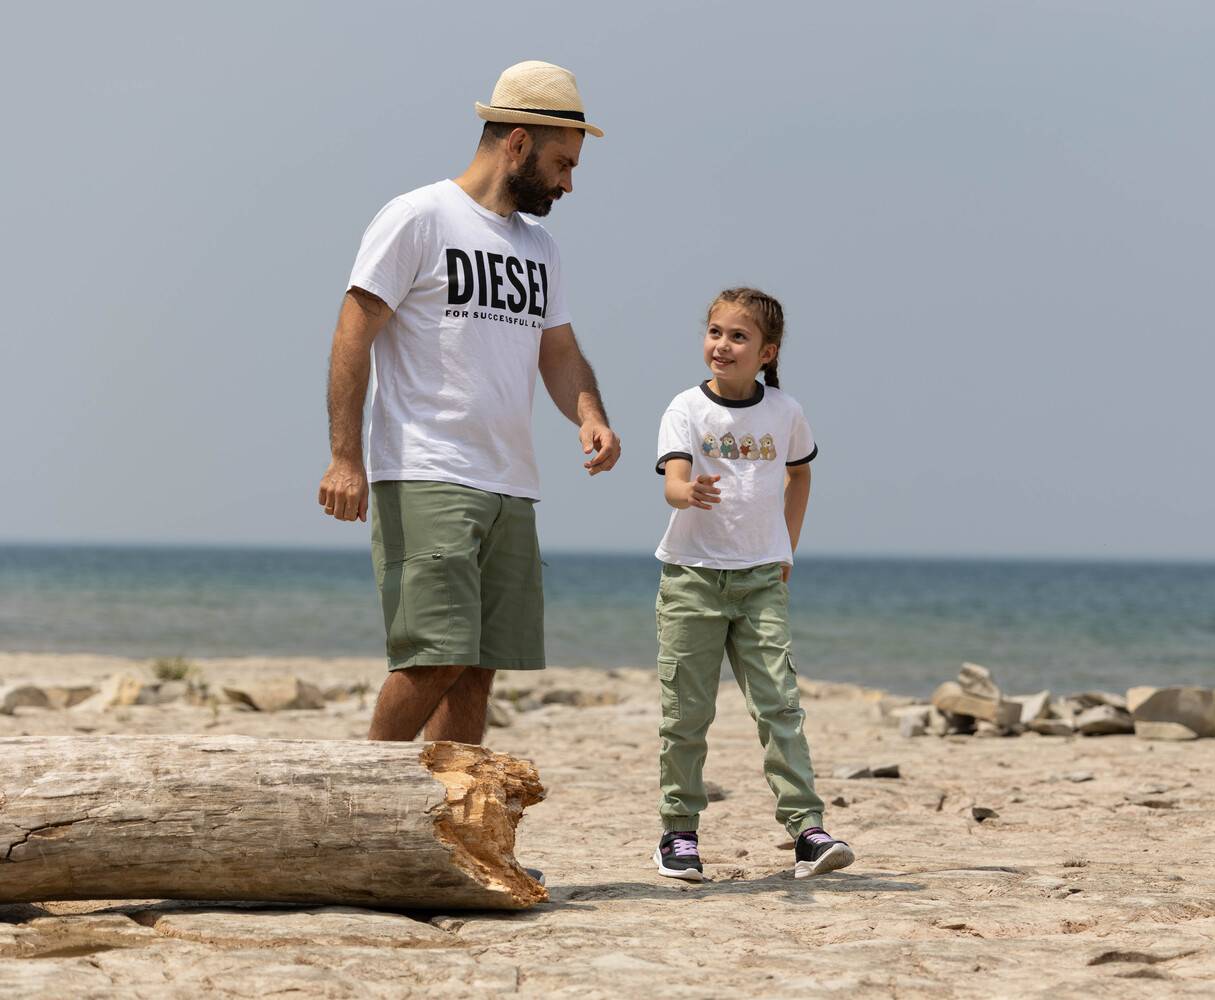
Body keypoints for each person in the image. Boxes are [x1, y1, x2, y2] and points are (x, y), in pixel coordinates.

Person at [317, 61, 620, 749]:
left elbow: (559, 352)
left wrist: (591, 415)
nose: (569, 184)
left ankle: (451, 813)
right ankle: (361, 798)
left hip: (511, 482)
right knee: (434, 658)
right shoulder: (418, 218)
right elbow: (352, 333)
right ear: (518, 143)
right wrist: (344, 457)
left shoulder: (540, 249)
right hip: (427, 470)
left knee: (478, 671)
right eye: (562, 164)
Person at [650, 287, 854, 881]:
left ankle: (807, 831)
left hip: (762, 580)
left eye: (738, 336)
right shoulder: (686, 408)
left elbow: (800, 476)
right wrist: (685, 491)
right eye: (715, 332)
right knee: (686, 714)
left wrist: (787, 545)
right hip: (692, 578)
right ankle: (678, 833)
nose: (722, 345)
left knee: (779, 706)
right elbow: (673, 481)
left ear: (767, 351)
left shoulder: (785, 412)